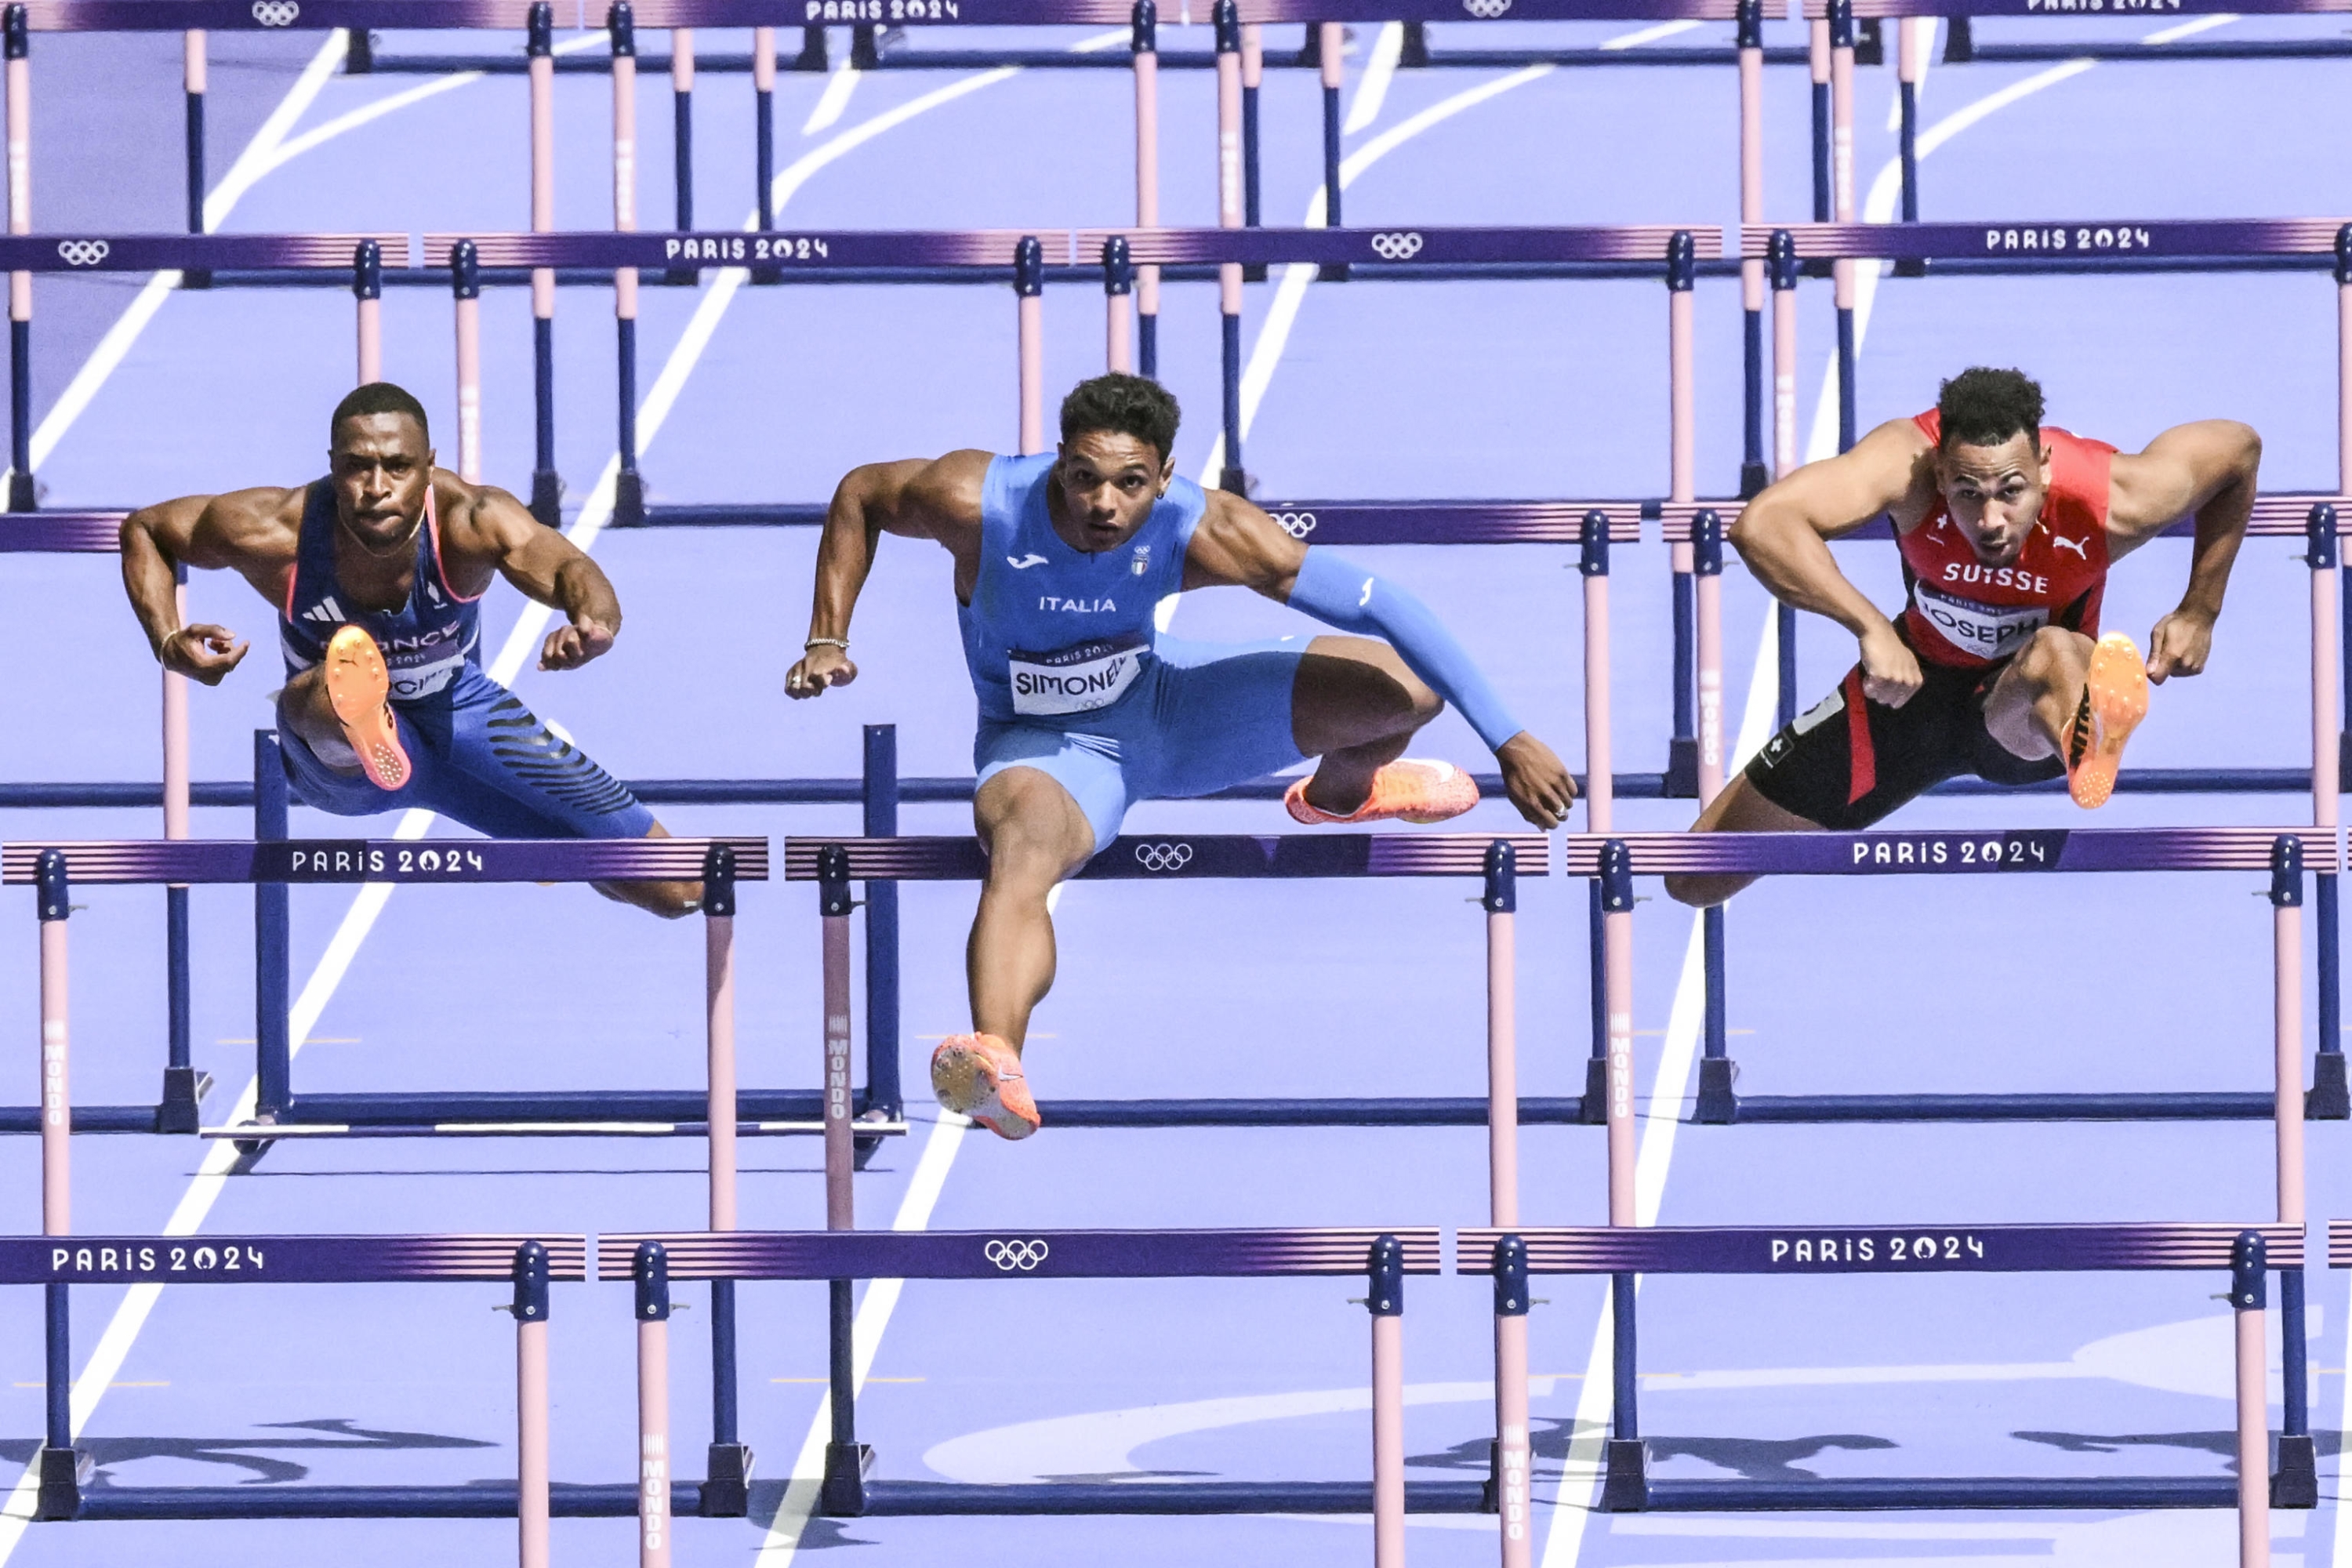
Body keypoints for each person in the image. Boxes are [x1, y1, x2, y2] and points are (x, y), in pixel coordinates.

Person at [788, 372, 1577, 1138]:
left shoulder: (1206, 527)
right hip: (1047, 751)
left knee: (1404, 688)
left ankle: (1344, 791)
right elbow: (861, 492)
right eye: (1084, 477)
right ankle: (997, 1062)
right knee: (1022, 853)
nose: (1102, 503)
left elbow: (1381, 602)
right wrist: (828, 635)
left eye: (1129, 482)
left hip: (1169, 710)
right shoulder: (977, 502)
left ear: (1165, 476)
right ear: (1058, 459)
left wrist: (1508, 736)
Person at [1667, 366, 2259, 909]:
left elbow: (2238, 449)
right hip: (1908, 694)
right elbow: (1762, 525)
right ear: (1940, 473)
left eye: (2011, 491)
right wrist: (1870, 627)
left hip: (2019, 711)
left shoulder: (2115, 497)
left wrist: (2201, 607)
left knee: (2054, 650)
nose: (1991, 520)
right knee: (1696, 876)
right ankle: (2080, 724)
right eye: (1968, 494)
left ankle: (2088, 741)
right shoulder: (1903, 463)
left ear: (2045, 467)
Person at [118, 381, 699, 918]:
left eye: (397, 467)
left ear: (429, 467)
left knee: (678, 890)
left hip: (459, 716)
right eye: (357, 469)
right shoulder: (274, 528)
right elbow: (147, 528)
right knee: (328, 684)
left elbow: (571, 566)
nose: (376, 489)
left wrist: (593, 623)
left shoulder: (472, 520)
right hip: (334, 755)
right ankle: (368, 725)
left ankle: (549, 844)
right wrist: (168, 640)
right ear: (332, 467)